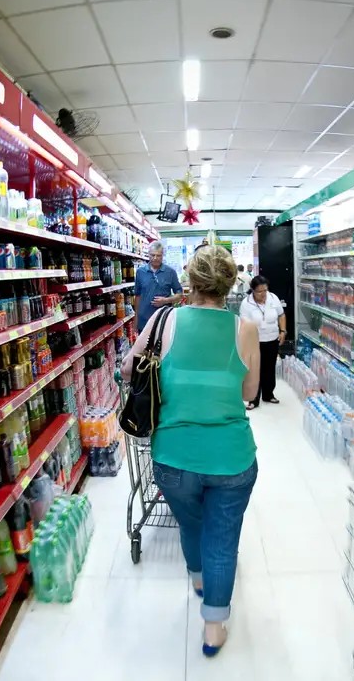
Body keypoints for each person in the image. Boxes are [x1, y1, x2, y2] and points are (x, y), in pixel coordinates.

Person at [121, 244, 260, 658]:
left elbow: (129, 368)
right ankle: (214, 627)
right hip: (233, 458)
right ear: (228, 284)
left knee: (191, 525)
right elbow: (249, 393)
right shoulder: (245, 329)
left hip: (173, 459)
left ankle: (198, 579)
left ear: (190, 281)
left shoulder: (165, 321)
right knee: (223, 538)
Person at [238, 276, 285, 409]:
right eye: (259, 291)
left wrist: (283, 331)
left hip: (272, 339)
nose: (263, 294)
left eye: (265, 290)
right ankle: (253, 399)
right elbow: (245, 325)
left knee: (269, 368)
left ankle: (269, 394)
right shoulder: (246, 304)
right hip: (255, 342)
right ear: (252, 290)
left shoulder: (273, 298)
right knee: (254, 370)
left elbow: (281, 315)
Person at [132, 241, 183, 332]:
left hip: (164, 320)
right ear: (148, 254)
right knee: (145, 346)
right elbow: (138, 296)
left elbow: (179, 295)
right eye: (152, 255)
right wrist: (136, 319)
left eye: (158, 255)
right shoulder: (140, 272)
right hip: (144, 321)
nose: (155, 258)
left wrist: (166, 300)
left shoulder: (170, 272)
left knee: (163, 345)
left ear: (163, 255)